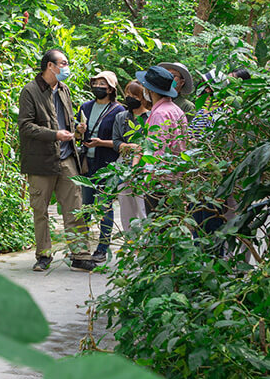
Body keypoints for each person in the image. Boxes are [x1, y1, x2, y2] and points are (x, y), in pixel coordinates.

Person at [18, 50, 89, 272]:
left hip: (67, 156)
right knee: (40, 209)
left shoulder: (64, 89)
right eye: (64, 63)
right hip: (41, 160)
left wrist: (76, 128)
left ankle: (80, 253)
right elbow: (26, 126)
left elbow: (66, 119)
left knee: (75, 207)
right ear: (50, 66)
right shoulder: (30, 91)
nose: (67, 67)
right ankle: (43, 255)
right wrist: (55, 134)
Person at [75, 71, 125, 264]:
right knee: (85, 207)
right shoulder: (85, 107)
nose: (97, 86)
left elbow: (120, 141)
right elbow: (78, 136)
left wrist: (100, 143)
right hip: (87, 164)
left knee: (105, 207)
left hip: (107, 165)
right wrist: (79, 132)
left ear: (111, 88)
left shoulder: (118, 111)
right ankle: (81, 249)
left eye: (102, 83)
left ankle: (102, 248)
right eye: (95, 82)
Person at [135, 65, 189, 215]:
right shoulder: (176, 110)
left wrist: (147, 178)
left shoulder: (161, 114)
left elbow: (157, 150)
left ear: (150, 90)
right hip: (175, 179)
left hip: (160, 182)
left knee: (159, 227)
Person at [113, 80, 151, 244]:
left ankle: (148, 244)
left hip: (144, 167)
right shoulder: (121, 117)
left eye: (134, 95)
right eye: (127, 94)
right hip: (123, 166)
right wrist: (126, 146)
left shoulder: (150, 117)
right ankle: (131, 243)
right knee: (126, 207)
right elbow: (115, 141)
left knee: (143, 207)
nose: (129, 98)